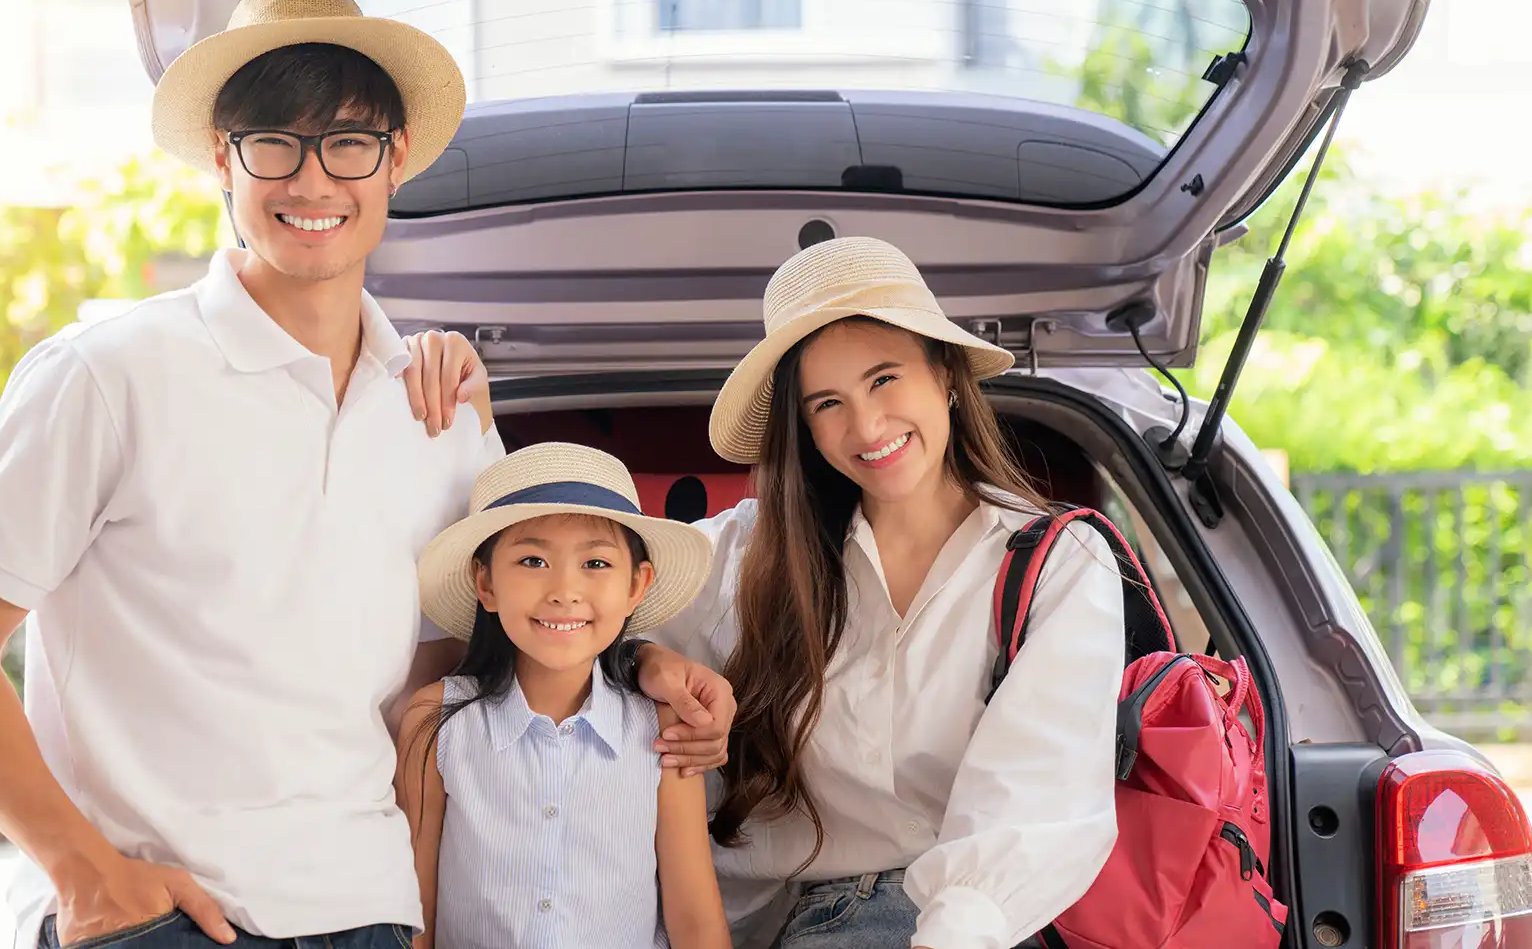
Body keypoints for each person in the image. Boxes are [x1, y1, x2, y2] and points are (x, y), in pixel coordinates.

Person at [0, 0, 732, 949]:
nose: (311, 179)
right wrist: (85, 876)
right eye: (273, 144)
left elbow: (493, 643)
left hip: (367, 911)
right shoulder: (104, 374)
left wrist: (642, 665)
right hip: (158, 919)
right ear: (221, 158)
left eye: (346, 143)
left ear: (395, 157)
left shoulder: (440, 411)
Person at [402, 236, 1125, 949]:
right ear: (804, 427)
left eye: (884, 379)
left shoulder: (1057, 566)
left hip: (957, 918)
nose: (866, 426)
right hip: (763, 918)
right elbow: (576, 605)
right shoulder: (748, 552)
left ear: (945, 375)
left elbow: (1035, 803)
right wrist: (649, 661)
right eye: (827, 404)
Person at [395, 442, 732, 949]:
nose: (564, 590)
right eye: (533, 560)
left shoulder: (661, 727)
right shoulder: (435, 722)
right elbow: (413, 914)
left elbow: (696, 922)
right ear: (485, 583)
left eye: (595, 563)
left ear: (636, 585)